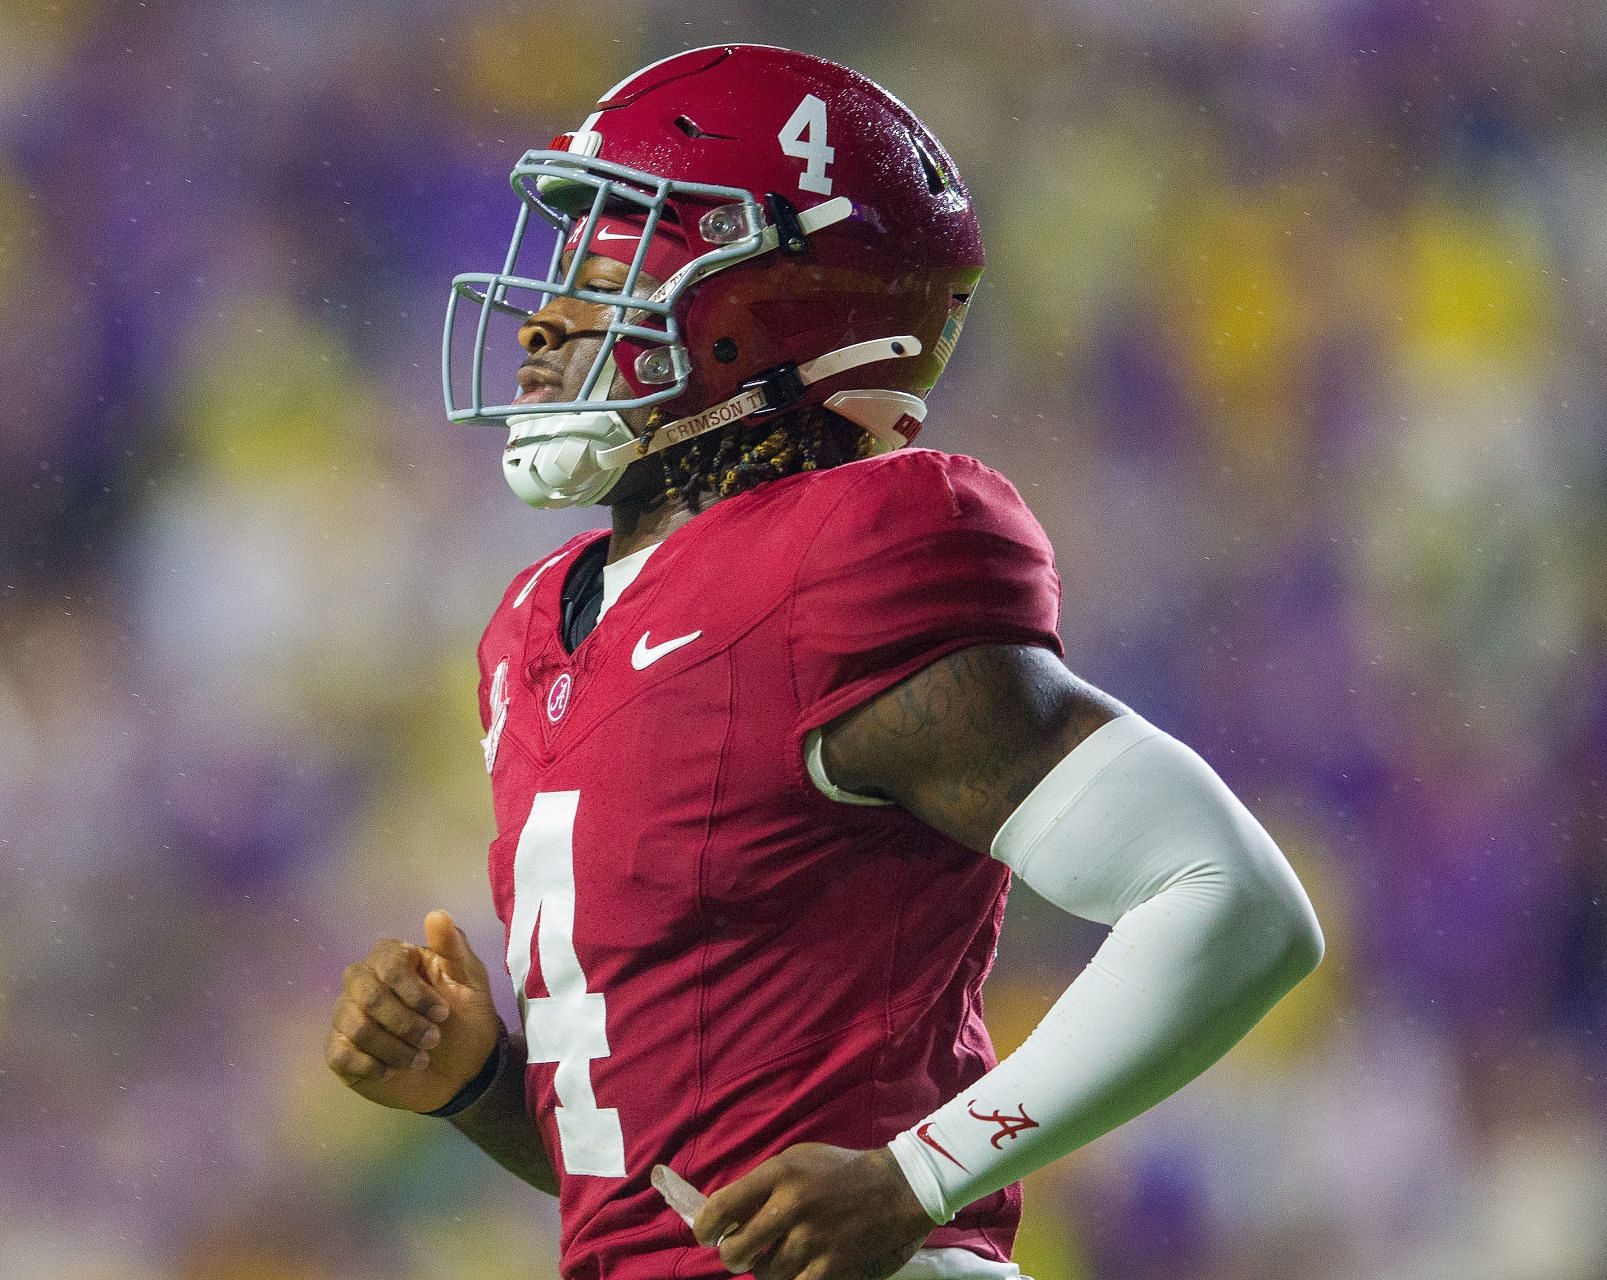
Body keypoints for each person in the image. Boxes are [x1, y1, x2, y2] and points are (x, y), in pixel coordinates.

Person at [326, 44, 1324, 1280]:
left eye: (609, 262)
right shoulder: (536, 625)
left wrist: (926, 1169)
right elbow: (684, 1181)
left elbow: (1231, 899)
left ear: (767, 300)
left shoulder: (843, 555)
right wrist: (479, 1079)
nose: (546, 314)